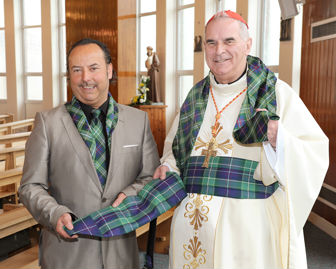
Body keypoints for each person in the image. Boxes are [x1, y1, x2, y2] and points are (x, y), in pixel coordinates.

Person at [153, 10, 329, 269]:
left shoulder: (275, 93)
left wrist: (278, 138)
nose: (218, 50)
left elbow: (314, 151)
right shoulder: (194, 97)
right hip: (192, 227)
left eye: (229, 41)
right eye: (211, 42)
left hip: (247, 229)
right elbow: (175, 148)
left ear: (248, 45)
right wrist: (168, 166)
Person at [18, 38, 160, 269]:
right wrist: (55, 213)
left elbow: (150, 178)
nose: (86, 78)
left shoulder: (138, 121)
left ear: (109, 70)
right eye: (77, 70)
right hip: (68, 255)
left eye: (94, 68)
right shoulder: (47, 124)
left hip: (121, 253)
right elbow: (30, 186)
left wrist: (130, 195)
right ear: (69, 75)